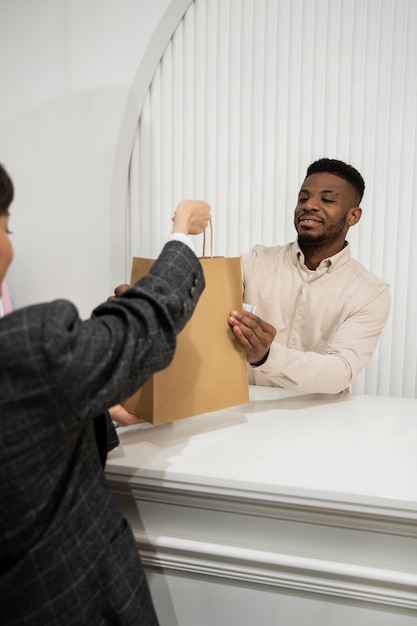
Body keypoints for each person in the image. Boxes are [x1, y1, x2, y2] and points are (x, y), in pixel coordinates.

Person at [0, 161, 211, 625]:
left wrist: (98, 407)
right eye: (7, 226)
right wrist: (183, 234)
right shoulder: (28, 346)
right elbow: (144, 323)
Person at [228, 158, 391, 394]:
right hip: (247, 415)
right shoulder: (254, 262)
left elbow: (340, 372)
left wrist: (267, 356)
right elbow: (199, 297)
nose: (310, 205)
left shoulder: (371, 292)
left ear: (353, 216)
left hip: (322, 424)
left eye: (327, 199)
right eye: (303, 198)